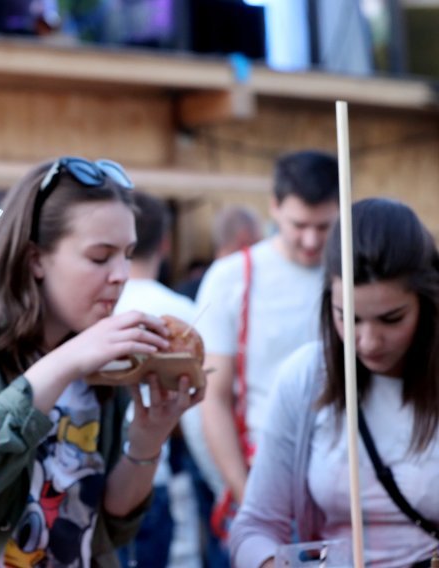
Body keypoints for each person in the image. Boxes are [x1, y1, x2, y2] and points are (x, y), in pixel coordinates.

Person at [0, 157, 203, 567]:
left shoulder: (102, 354)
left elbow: (105, 526)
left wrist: (148, 438)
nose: (122, 275)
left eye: (128, 255)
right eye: (100, 257)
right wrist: (64, 364)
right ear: (36, 259)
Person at [231, 198, 439, 567]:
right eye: (349, 317)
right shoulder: (306, 377)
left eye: (392, 319)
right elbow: (255, 527)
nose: (369, 341)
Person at [196, 150, 340, 525]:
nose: (310, 240)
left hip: (347, 482)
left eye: (324, 227)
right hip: (266, 477)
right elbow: (214, 397)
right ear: (274, 207)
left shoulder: (359, 273)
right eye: (299, 224)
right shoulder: (231, 277)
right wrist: (246, 498)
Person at [111, 191, 203, 568]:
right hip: (156, 477)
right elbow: (197, 415)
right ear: (165, 245)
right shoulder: (185, 312)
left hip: (95, 476)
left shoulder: (94, 308)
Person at [176, 204, 262, 301]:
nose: (260, 250)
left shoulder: (186, 291)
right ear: (244, 238)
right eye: (259, 242)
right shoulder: (249, 290)